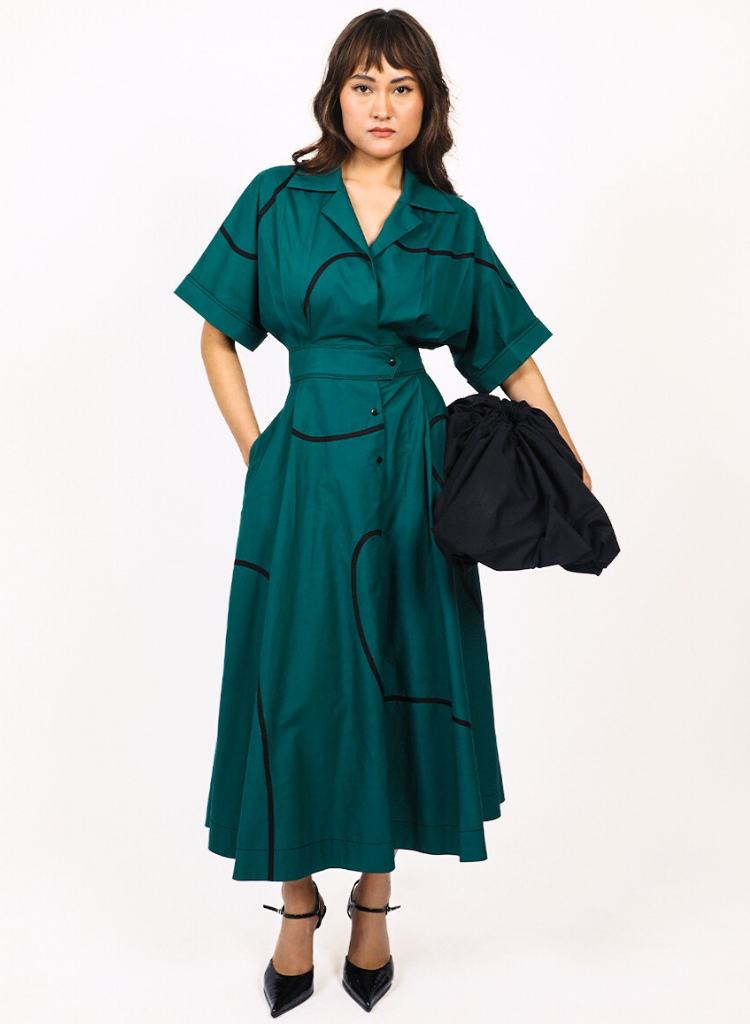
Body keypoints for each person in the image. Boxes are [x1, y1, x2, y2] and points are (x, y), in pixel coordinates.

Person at [174, 9, 590, 1017]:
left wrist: (571, 467)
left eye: (403, 86)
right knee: (297, 677)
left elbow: (513, 360)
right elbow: (216, 335)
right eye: (365, 84)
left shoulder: (449, 224)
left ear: (427, 104)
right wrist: (259, 451)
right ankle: (295, 906)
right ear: (336, 96)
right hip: (302, 475)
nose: (382, 104)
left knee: (396, 665)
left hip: (412, 468)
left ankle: (372, 903)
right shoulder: (276, 200)